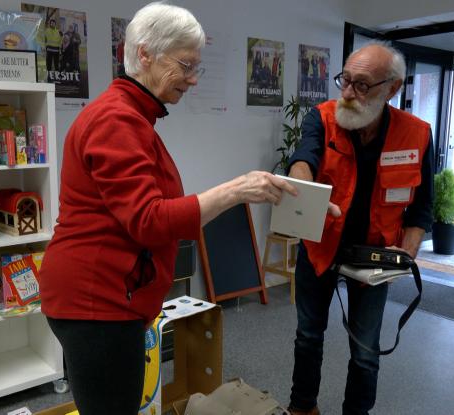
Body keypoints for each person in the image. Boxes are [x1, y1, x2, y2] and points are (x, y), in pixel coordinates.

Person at [38, 3, 297, 415]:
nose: (193, 79)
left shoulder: (134, 117)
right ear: (145, 54)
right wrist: (237, 190)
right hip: (96, 304)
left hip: (108, 297)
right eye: (186, 65)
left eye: (198, 68)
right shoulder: (116, 120)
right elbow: (149, 220)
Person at [287, 42, 434, 415]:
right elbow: (304, 157)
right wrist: (301, 190)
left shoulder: (416, 134)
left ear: (392, 89)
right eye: (345, 81)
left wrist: (409, 252)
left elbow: (421, 207)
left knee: (366, 349)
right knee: (308, 335)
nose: (349, 93)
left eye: (362, 85)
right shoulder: (322, 118)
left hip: (375, 254)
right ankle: (303, 407)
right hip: (321, 244)